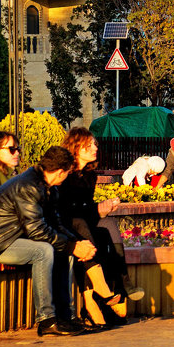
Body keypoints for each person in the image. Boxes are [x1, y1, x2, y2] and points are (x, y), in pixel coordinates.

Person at [0, 146, 96, 337]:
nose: (68, 176)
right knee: (43, 251)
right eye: (68, 173)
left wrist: (77, 244)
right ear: (61, 172)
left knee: (65, 251)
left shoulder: (49, 188)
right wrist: (73, 246)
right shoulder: (28, 186)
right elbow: (37, 231)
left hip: (12, 238)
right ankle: (47, 320)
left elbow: (56, 223)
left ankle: (65, 316)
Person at [60, 127, 143, 326]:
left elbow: (85, 208)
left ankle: (123, 283)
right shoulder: (63, 174)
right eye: (89, 145)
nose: (95, 148)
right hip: (64, 226)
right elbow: (67, 211)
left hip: (82, 223)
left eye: (94, 144)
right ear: (76, 148)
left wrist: (101, 209)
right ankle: (95, 300)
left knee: (107, 224)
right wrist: (96, 209)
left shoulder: (89, 175)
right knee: (86, 235)